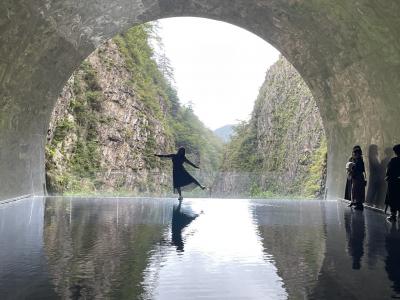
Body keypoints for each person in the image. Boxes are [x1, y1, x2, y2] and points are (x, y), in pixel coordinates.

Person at [385, 144, 400, 222]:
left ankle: (393, 216)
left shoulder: (393, 160)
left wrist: (387, 177)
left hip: (393, 183)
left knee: (392, 199)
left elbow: (388, 172)